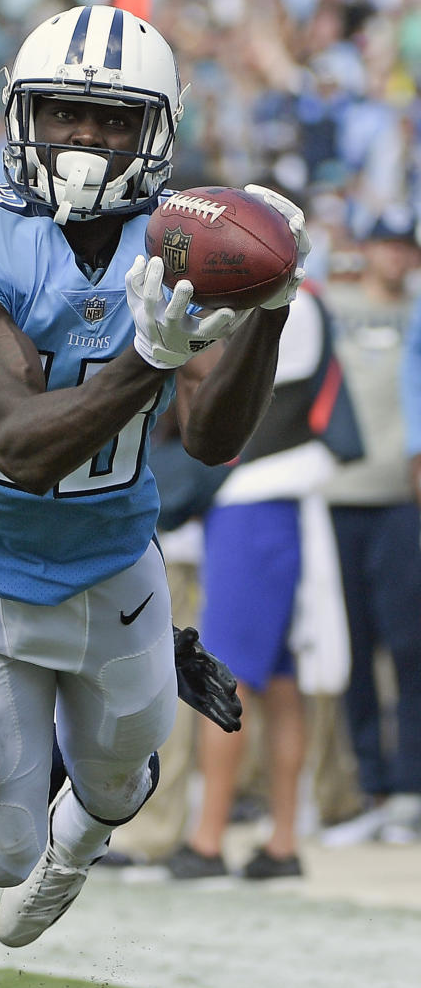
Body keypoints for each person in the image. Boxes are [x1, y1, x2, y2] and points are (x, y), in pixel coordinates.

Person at [0, 4, 309, 948]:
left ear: (155, 132)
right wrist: (150, 360)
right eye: (64, 114)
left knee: (114, 788)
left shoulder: (178, 240)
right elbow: (20, 446)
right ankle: (49, 840)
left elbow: (210, 440)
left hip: (115, 563)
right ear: (18, 115)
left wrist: (267, 308)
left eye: (114, 118)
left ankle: (77, 848)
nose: (85, 137)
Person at [165, 283, 360, 879]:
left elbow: (219, 373)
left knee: (229, 678)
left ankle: (208, 838)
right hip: (275, 499)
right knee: (279, 682)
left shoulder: (285, 303)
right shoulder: (299, 302)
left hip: (255, 498)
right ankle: (280, 840)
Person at [319, 211, 421, 844]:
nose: (394, 255)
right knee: (349, 649)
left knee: (408, 645)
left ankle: (409, 785)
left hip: (400, 498)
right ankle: (370, 788)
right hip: (333, 495)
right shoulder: (334, 303)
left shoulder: (416, 314)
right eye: (384, 243)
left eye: (403, 246)